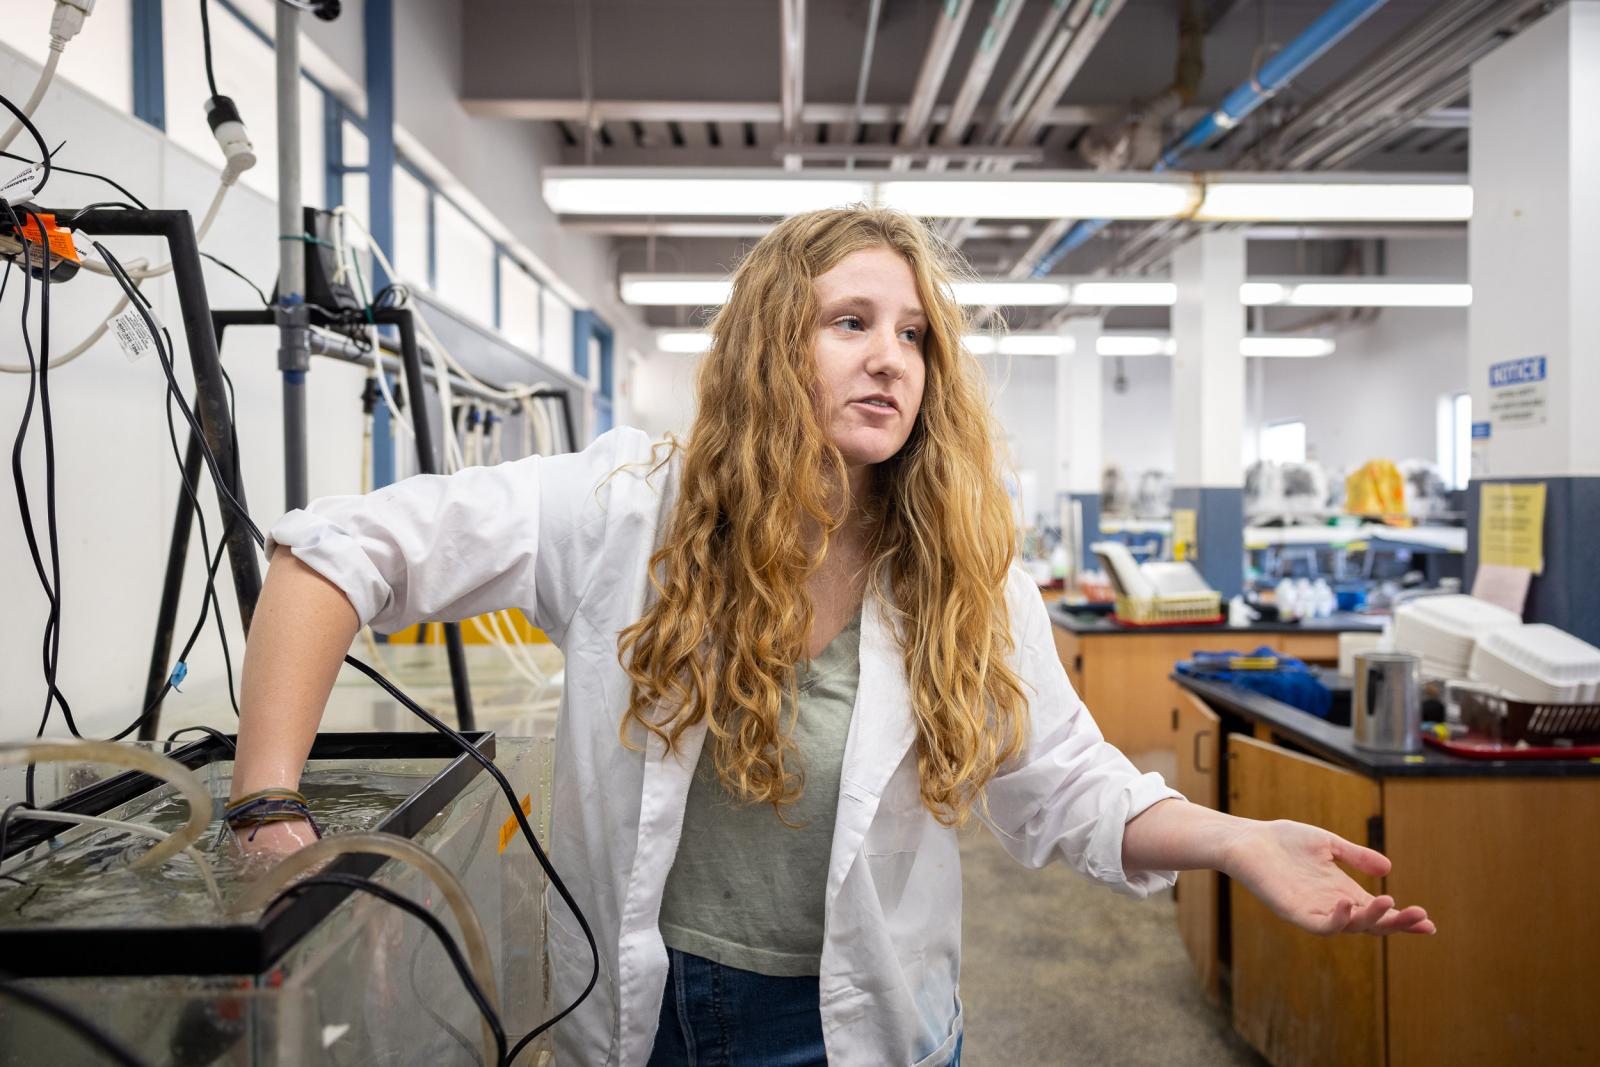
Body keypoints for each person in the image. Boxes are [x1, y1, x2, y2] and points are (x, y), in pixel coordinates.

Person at [228, 206, 1433, 1067]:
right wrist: (265, 805)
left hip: (881, 1013)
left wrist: (1237, 840)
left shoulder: (959, 560)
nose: (888, 358)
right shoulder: (624, 507)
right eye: (848, 321)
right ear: (768, 347)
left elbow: (1059, 777)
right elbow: (330, 552)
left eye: (912, 335)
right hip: (662, 1016)